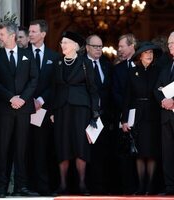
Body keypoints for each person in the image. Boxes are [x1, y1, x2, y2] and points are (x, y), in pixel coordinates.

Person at [0, 21, 38, 198]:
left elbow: (34, 79)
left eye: (1, 34)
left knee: (22, 148)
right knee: (2, 148)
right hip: (4, 109)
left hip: (24, 109)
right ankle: (1, 187)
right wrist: (12, 98)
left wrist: (22, 99)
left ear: (11, 36)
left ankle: (21, 186)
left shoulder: (28, 55)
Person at [51, 31, 99, 195]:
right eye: (62, 43)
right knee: (62, 144)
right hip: (62, 109)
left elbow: (93, 90)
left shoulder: (86, 63)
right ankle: (63, 185)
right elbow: (53, 89)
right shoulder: (58, 63)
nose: (62, 45)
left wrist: (95, 113)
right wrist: (51, 110)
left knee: (81, 146)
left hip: (81, 110)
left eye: (65, 42)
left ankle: (82, 184)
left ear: (75, 46)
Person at [121, 41, 162, 195]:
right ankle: (140, 186)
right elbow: (127, 97)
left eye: (151, 53)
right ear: (140, 56)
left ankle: (150, 187)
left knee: (151, 152)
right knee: (139, 153)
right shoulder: (132, 72)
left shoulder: (158, 71)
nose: (149, 55)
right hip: (137, 116)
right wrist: (124, 120)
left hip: (154, 115)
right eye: (146, 53)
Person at [28, 19, 59, 195]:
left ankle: (43, 186)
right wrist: (29, 99)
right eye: (30, 32)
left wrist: (40, 100)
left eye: (33, 31)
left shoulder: (54, 57)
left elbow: (54, 85)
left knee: (42, 148)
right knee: (25, 147)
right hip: (25, 107)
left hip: (44, 110)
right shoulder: (22, 54)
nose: (30, 34)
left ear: (43, 34)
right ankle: (25, 185)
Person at [85, 34, 114, 194]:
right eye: (95, 46)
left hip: (104, 117)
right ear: (87, 47)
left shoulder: (106, 65)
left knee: (102, 153)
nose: (98, 49)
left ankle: (101, 187)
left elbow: (109, 90)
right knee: (87, 152)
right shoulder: (81, 64)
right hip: (87, 116)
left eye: (100, 46)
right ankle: (87, 186)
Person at [112, 33, 137, 194]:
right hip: (123, 117)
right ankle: (126, 188)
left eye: (122, 46)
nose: (119, 49)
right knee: (123, 154)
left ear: (132, 46)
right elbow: (115, 93)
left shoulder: (143, 65)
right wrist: (125, 113)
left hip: (142, 116)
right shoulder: (118, 69)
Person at [154, 31, 174, 195]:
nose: (170, 46)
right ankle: (170, 187)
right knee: (168, 152)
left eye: (173, 43)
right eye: (169, 43)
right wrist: (163, 100)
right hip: (166, 116)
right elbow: (157, 88)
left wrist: (173, 101)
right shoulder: (166, 67)